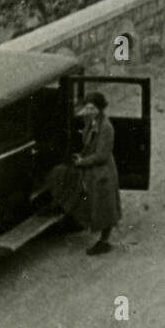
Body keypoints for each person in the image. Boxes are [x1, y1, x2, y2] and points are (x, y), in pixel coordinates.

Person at [49, 91, 121, 255]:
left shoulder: (106, 127)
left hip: (102, 172)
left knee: (105, 206)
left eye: (92, 108)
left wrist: (82, 161)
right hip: (91, 167)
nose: (89, 111)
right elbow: (88, 145)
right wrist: (81, 156)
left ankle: (104, 241)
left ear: (100, 109)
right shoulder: (90, 122)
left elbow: (101, 155)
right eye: (87, 108)